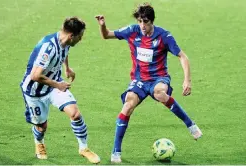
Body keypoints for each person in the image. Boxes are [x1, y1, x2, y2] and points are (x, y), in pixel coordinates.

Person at [95, 3, 202, 163]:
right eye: (140, 21)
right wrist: (103, 26)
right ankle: (116, 151)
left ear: (152, 21)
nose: (143, 26)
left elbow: (183, 57)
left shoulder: (163, 36)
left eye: (146, 22)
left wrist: (187, 80)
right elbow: (106, 35)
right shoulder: (132, 31)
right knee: (127, 105)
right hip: (139, 80)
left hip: (159, 78)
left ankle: (190, 125)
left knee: (160, 92)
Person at [20, 17, 100, 164]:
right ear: (72, 36)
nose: (81, 40)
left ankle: (83, 148)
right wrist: (58, 85)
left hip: (53, 85)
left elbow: (65, 50)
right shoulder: (48, 48)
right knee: (41, 126)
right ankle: (39, 143)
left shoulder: (65, 41)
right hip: (34, 91)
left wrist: (67, 68)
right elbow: (35, 75)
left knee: (75, 114)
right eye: (80, 36)